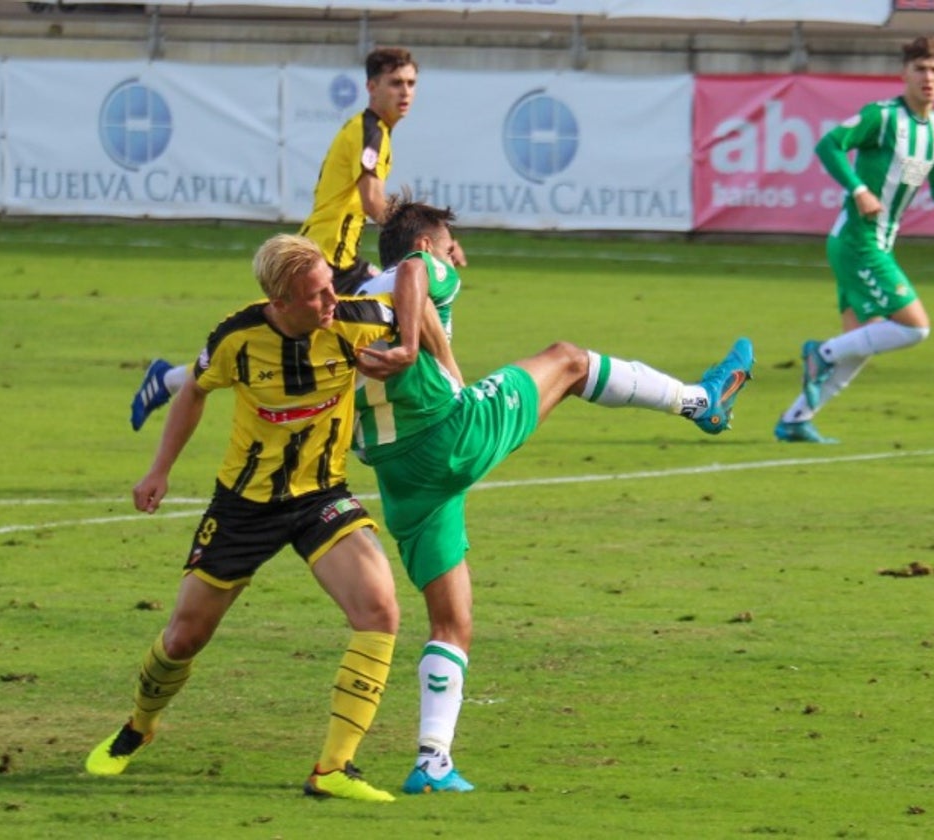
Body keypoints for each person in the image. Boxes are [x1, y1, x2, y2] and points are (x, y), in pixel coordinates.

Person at [351, 195, 756, 794]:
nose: (457, 260)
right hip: (450, 437)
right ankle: (701, 401)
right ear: (427, 246)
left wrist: (436, 354)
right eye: (451, 248)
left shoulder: (352, 300)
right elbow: (415, 273)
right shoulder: (420, 268)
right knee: (566, 361)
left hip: (398, 476)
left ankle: (432, 761)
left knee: (451, 621)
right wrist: (415, 346)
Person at [87, 233, 437, 803]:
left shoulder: (360, 318)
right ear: (280, 302)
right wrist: (159, 470)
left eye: (330, 287)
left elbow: (416, 287)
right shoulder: (237, 337)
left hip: (321, 497)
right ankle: (139, 726)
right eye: (317, 296)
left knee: (380, 610)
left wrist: (413, 349)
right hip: (244, 507)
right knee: (183, 637)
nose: (331, 301)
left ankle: (333, 768)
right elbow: (193, 392)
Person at [128, 47, 438, 433]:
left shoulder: (375, 130)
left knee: (408, 302)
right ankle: (415, 408)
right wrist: (419, 232)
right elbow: (374, 202)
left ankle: (171, 379)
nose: (404, 91)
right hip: (325, 263)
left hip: (342, 260)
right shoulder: (370, 130)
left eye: (410, 83)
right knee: (402, 303)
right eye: (395, 83)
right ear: (371, 87)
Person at [774, 35, 934, 444]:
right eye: (920, 70)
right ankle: (818, 354)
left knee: (860, 342)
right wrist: (859, 189)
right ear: (904, 75)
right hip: (858, 241)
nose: (928, 78)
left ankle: (795, 420)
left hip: (876, 243)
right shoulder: (883, 116)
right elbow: (829, 145)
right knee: (915, 328)